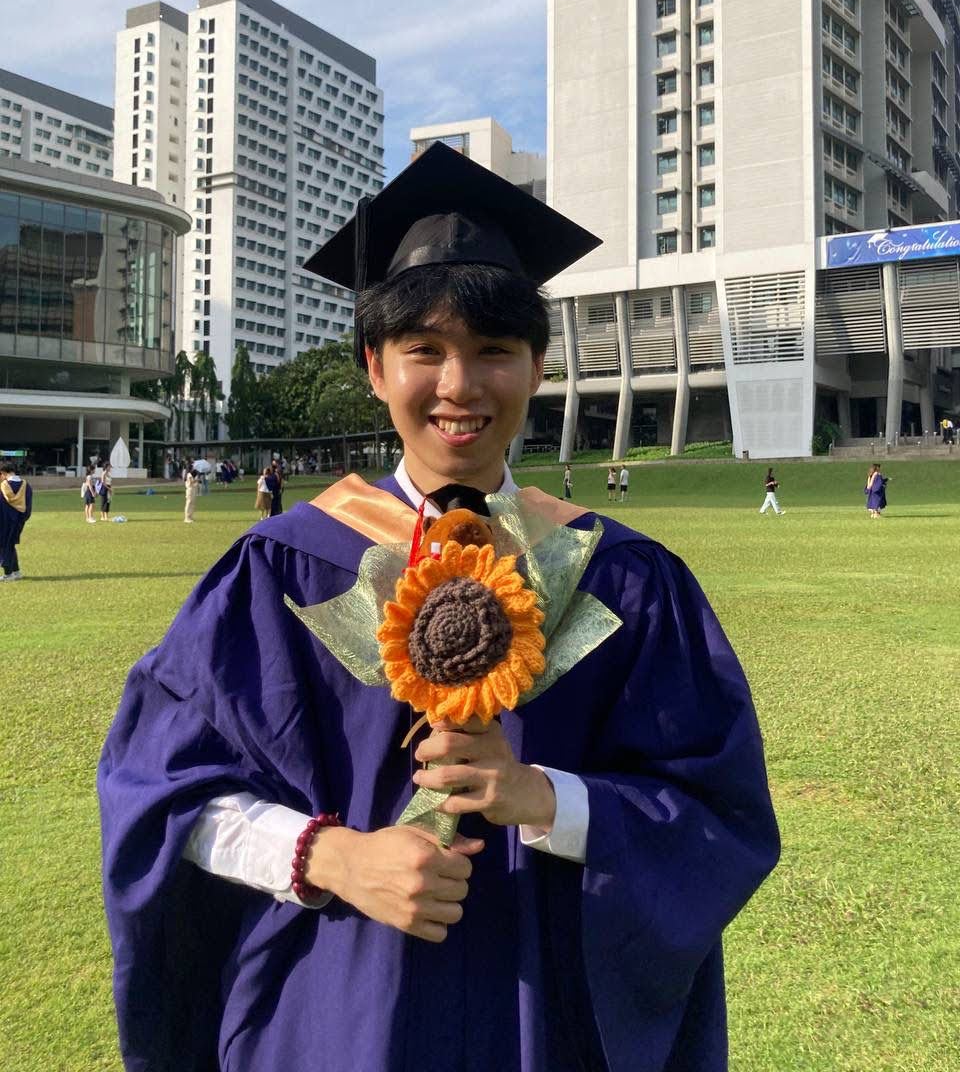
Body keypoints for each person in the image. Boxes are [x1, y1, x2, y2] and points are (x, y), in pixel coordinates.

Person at [99, 143, 779, 1072]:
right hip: (337, 1011)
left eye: (493, 350)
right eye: (424, 350)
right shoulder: (284, 570)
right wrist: (329, 858)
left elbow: (717, 813)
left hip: (552, 1021)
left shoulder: (622, 578)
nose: (459, 386)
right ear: (375, 367)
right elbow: (157, 794)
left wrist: (546, 798)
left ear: (537, 367)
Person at [0, 459, 32, 582]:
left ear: (3, 472)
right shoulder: (26, 486)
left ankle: (8, 574)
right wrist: (21, 520)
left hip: (3, 522)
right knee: (10, 545)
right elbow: (28, 507)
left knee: (3, 546)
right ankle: (16, 572)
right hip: (18, 522)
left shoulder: (3, 486)